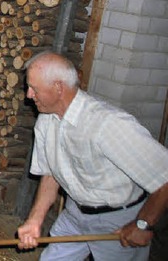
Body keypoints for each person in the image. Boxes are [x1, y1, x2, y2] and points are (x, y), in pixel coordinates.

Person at [17, 51, 168, 260]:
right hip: (75, 213)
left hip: (116, 220)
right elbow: (51, 174)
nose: (29, 95)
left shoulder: (107, 124)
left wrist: (142, 223)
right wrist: (35, 220)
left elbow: (165, 177)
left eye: (34, 88)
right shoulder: (46, 122)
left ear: (58, 87)